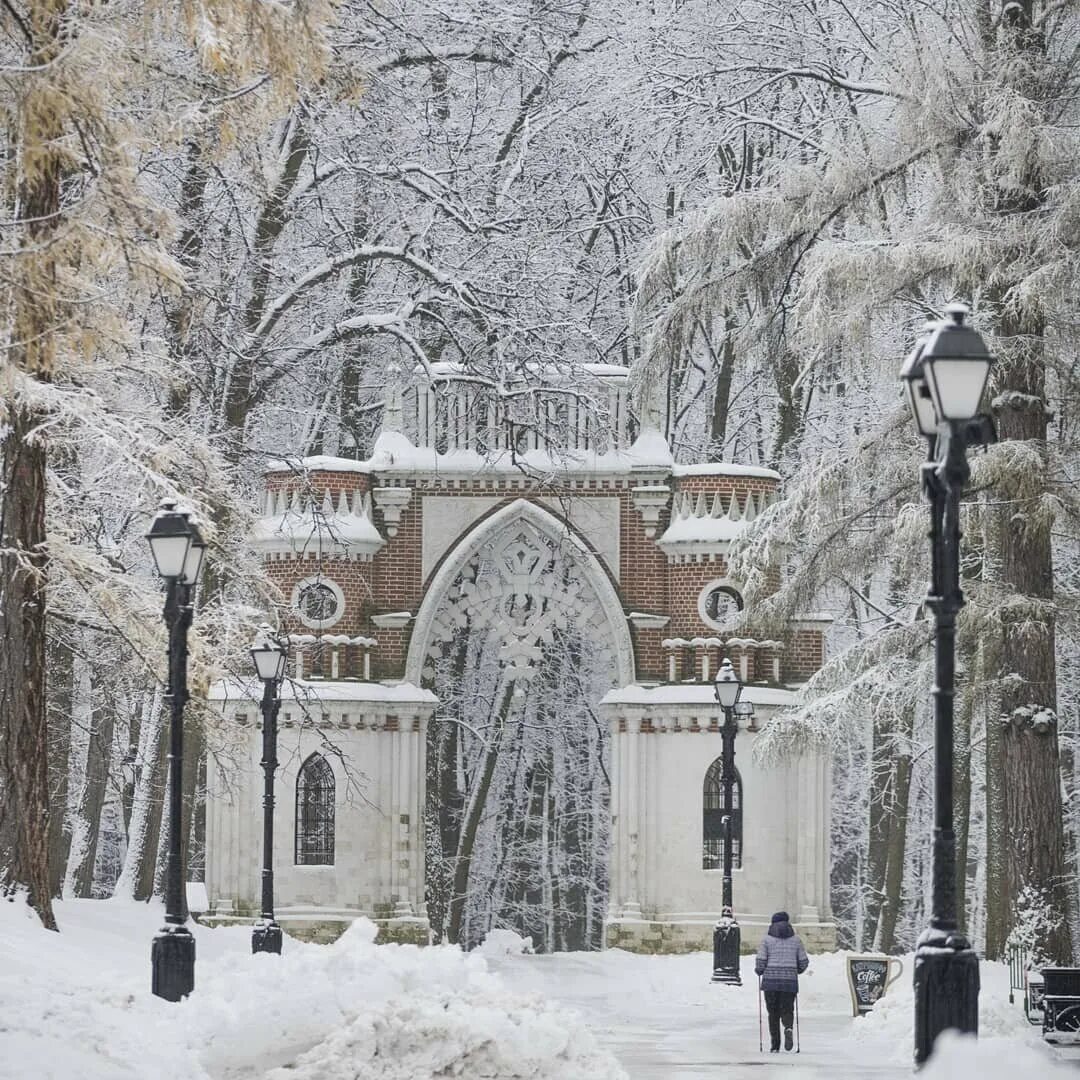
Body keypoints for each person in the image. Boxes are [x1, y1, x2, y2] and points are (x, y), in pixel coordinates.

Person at [755, 910, 809, 1052]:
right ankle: (788, 1027)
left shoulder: (767, 940)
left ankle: (775, 1045)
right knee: (787, 1009)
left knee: (772, 1013)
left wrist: (759, 970)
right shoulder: (796, 940)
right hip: (789, 982)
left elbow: (761, 960)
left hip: (770, 982)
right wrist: (796, 970)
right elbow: (803, 962)